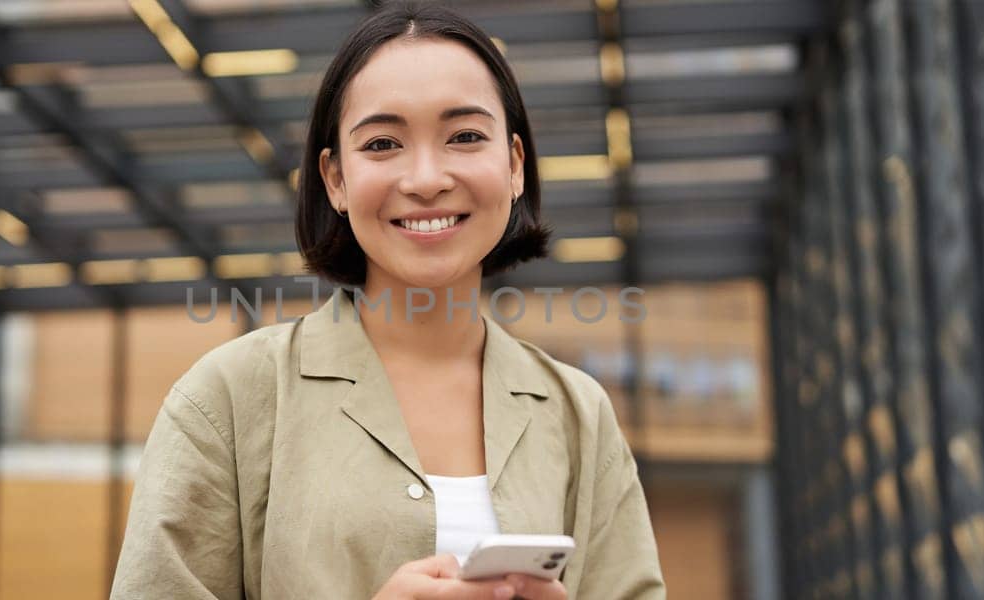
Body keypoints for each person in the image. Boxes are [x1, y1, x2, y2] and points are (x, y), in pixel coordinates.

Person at [110, 2, 665, 598]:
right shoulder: (228, 400)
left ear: (513, 165)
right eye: (381, 144)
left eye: (466, 136)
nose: (426, 179)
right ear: (335, 180)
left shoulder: (578, 414)